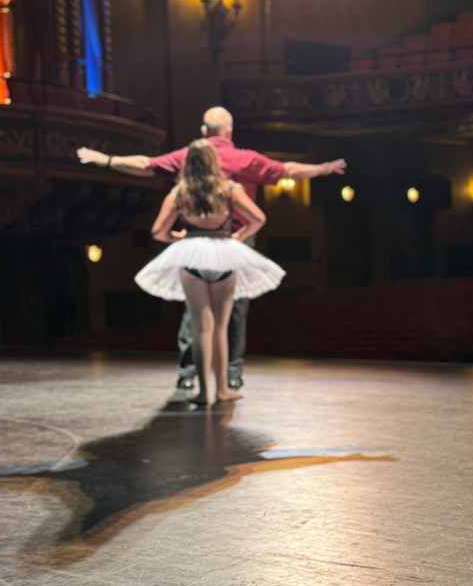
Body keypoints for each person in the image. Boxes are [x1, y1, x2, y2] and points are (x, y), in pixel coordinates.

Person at [77, 107, 346, 391]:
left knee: (195, 313)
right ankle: (230, 374)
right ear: (229, 131)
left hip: (193, 244)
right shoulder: (243, 161)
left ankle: (189, 372)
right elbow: (287, 171)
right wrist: (323, 168)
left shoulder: (187, 158)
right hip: (232, 244)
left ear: (204, 132)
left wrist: (106, 160)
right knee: (234, 312)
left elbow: (145, 165)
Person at [134, 139, 284, 407]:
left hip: (191, 255)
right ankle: (222, 389)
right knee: (221, 328)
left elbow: (158, 231)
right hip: (224, 254)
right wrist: (239, 237)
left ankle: (203, 392)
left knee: (202, 327)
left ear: (188, 164)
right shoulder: (229, 189)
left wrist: (177, 237)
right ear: (214, 163)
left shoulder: (180, 193)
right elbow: (259, 219)